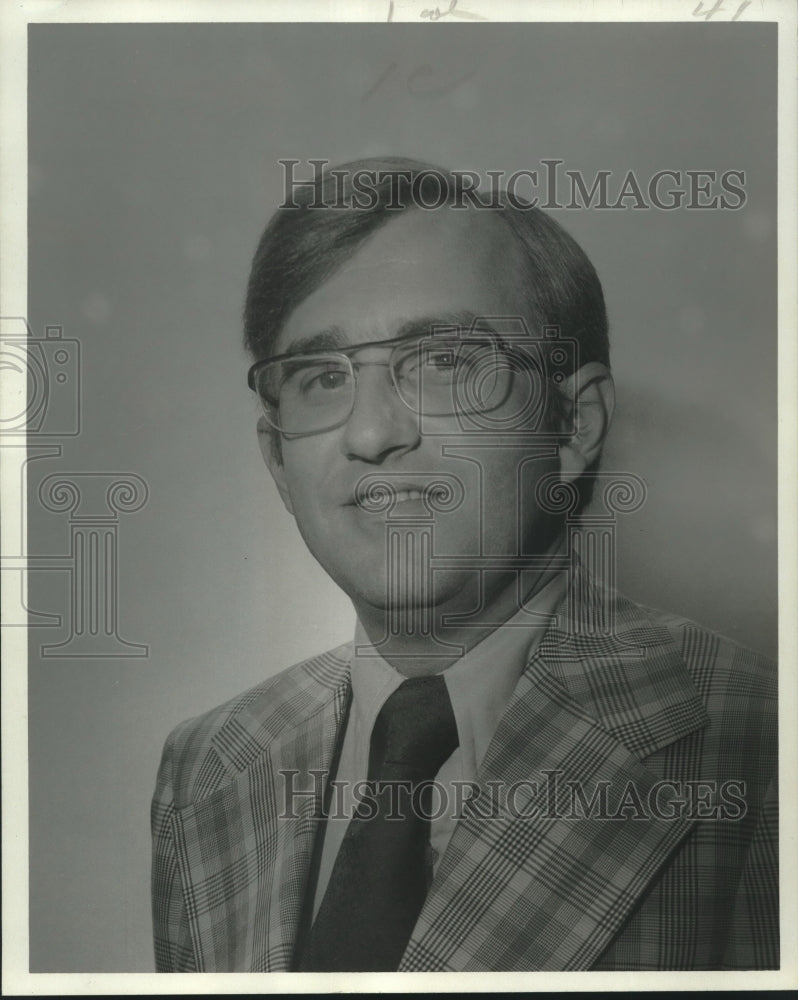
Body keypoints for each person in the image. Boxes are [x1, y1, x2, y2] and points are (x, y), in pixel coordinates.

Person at [151, 158, 778, 972]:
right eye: (320, 377)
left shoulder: (759, 747)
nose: (373, 433)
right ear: (278, 461)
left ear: (574, 426)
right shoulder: (208, 766)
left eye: (445, 361)